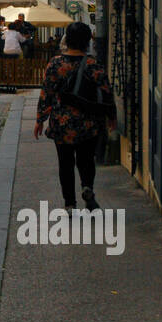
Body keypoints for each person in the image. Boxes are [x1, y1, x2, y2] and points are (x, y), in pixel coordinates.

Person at [34, 21, 115, 210]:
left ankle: (69, 204)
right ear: (87, 42)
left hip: (62, 123)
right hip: (89, 123)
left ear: (67, 40)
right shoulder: (94, 65)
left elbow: (46, 93)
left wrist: (40, 120)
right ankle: (87, 187)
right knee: (87, 159)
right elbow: (106, 92)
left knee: (65, 164)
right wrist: (111, 116)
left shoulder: (55, 64)